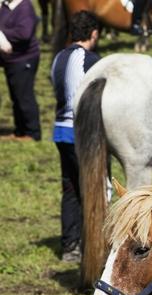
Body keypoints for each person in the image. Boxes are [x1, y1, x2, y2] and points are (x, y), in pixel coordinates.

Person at [50, 11, 100, 263]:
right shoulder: (92, 60)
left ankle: (69, 246)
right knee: (91, 190)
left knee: (70, 188)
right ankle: (92, 245)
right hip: (81, 133)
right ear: (94, 34)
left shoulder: (58, 56)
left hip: (59, 130)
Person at [0, 0, 41, 141]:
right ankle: (19, 131)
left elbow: (24, 33)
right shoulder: (5, 6)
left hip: (24, 59)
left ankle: (32, 132)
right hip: (11, 60)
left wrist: (2, 35)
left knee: (24, 96)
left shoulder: (24, 7)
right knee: (16, 96)